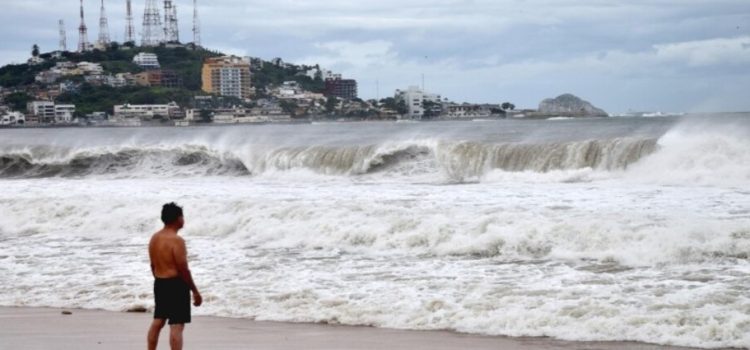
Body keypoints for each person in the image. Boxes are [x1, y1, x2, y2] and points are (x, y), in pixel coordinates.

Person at [147, 202, 203, 350]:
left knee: (158, 321)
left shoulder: (154, 238)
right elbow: (184, 270)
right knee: (176, 325)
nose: (183, 219)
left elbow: (153, 265)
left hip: (160, 282)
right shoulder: (177, 241)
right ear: (177, 219)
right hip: (176, 285)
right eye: (182, 216)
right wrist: (195, 291)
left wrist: (159, 280)